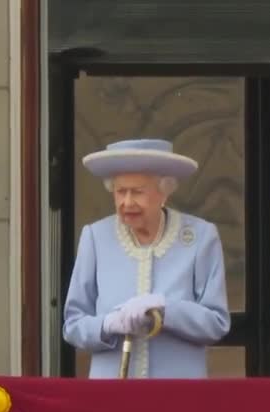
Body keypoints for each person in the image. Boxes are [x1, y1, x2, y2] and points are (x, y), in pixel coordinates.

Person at [63, 139, 231, 379]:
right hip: (113, 393)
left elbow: (216, 323)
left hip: (177, 393)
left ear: (164, 192)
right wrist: (108, 324)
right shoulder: (96, 237)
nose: (127, 202)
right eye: (121, 192)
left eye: (138, 192)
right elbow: (73, 326)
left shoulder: (200, 237)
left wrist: (165, 308)